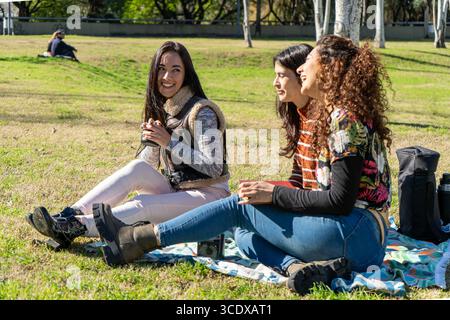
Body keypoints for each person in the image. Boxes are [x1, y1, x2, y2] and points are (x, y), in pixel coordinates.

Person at [93, 35, 392, 295]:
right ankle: (299, 269)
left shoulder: (343, 119)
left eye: (308, 61)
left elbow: (339, 201)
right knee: (243, 232)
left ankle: (138, 239)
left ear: (330, 70)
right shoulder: (337, 116)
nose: (301, 68)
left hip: (356, 232)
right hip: (353, 240)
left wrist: (272, 195)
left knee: (239, 207)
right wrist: (268, 191)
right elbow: (313, 188)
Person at [27, 41, 230, 249]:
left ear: (186, 74)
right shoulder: (168, 109)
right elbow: (147, 165)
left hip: (209, 198)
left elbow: (213, 167)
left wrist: (169, 142)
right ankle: (70, 214)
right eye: (161, 69)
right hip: (177, 191)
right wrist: (153, 141)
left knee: (144, 204)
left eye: (175, 70)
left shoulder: (202, 112)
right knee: (136, 168)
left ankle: (75, 227)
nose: (167, 77)